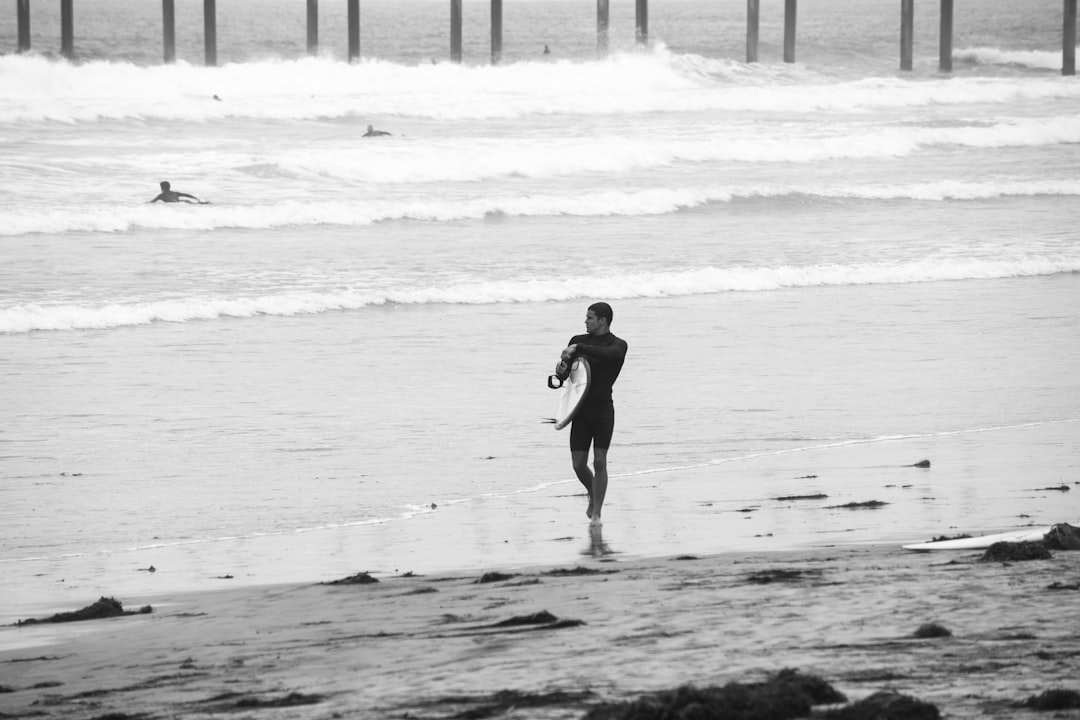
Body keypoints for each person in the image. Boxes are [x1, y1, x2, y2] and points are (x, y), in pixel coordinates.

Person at [553, 301, 628, 527]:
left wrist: (578, 349)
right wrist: (561, 370)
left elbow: (608, 356)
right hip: (580, 410)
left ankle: (596, 514)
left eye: (590, 318)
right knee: (578, 464)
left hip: (603, 409)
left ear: (602, 320)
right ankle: (593, 492)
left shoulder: (619, 345)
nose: (585, 322)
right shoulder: (577, 341)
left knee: (599, 461)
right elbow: (568, 376)